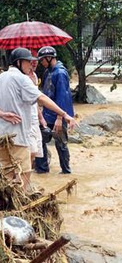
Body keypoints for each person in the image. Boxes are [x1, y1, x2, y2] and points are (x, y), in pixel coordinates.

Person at [0, 47, 76, 192]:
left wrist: (2, 114)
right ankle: (21, 207)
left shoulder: (1, 77)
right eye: (28, 62)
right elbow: (41, 98)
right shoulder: (22, 79)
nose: (31, 65)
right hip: (18, 137)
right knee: (24, 174)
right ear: (19, 62)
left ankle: (7, 207)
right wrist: (63, 114)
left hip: (2, 136)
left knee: (7, 174)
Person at [35, 46, 74, 174]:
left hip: (58, 115)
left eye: (42, 60)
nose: (41, 63)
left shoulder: (60, 73)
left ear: (49, 57)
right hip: (47, 113)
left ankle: (66, 171)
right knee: (40, 139)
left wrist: (59, 117)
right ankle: (42, 169)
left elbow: (63, 97)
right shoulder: (48, 72)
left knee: (61, 144)